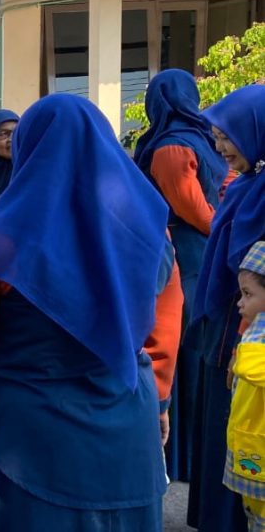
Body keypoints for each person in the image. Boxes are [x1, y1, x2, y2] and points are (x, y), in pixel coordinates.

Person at [0, 94, 182, 530]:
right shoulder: (149, 228)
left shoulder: (0, 238)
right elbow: (164, 325)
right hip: (125, 420)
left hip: (32, 439)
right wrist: (159, 400)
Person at [133, 69, 227, 483]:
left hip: (186, 255)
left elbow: (195, 211)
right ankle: (184, 455)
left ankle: (182, 455)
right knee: (186, 348)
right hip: (198, 253)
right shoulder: (200, 138)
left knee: (182, 344)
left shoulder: (169, 146)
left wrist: (224, 227)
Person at [190, 84, 265, 531]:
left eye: (227, 136)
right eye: (216, 136)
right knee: (225, 424)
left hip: (253, 335)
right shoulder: (248, 185)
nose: (219, 147)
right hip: (228, 321)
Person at [225, 241, 265, 531]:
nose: (240, 302)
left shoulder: (257, 340)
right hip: (252, 451)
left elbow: (250, 367)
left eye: (248, 294)